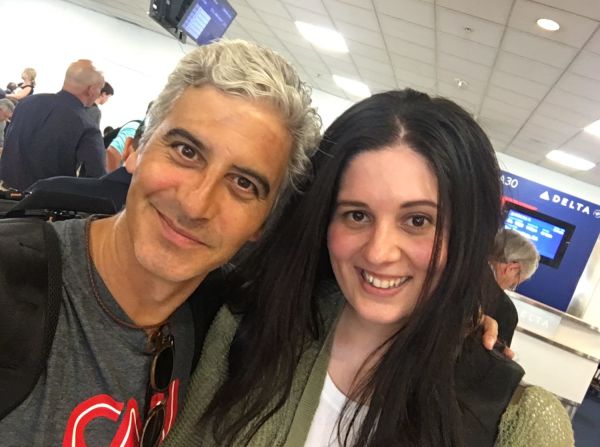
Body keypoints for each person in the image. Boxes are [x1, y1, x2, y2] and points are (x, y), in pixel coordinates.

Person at [164, 90, 573, 447]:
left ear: (468, 234)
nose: (379, 253)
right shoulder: (249, 328)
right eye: (356, 215)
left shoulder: (517, 420)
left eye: (418, 221)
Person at [0, 39, 321, 447]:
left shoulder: (219, 334)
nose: (195, 204)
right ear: (135, 150)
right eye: (186, 151)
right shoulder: (9, 282)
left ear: (263, 222)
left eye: (243, 183)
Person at [0, 59, 106, 191]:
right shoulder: (87, 126)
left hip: (4, 192)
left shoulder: (26, 103)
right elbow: (96, 178)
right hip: (42, 203)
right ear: (92, 89)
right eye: (100, 89)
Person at [488, 228, 540, 345]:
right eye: (513, 285)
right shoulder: (504, 310)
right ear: (512, 268)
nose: (506, 290)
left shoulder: (452, 268)